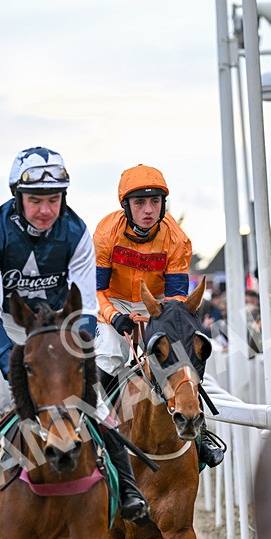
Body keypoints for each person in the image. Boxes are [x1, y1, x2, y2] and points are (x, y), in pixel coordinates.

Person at [0, 146, 150, 539]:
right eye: (35, 200)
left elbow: (87, 309)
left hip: (57, 329)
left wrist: (75, 356)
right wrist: (13, 363)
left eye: (53, 199)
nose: (45, 209)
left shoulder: (75, 232)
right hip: (2, 326)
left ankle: (128, 491)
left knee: (97, 404)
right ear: (18, 197)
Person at [93, 163, 223, 468]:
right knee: (110, 353)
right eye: (140, 203)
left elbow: (177, 298)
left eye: (155, 202)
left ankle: (200, 434)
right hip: (114, 301)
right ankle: (95, 431)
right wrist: (114, 317)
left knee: (180, 355)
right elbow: (94, 290)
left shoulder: (177, 239)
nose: (149, 210)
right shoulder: (105, 233)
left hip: (160, 306)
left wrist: (159, 320)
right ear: (126, 206)